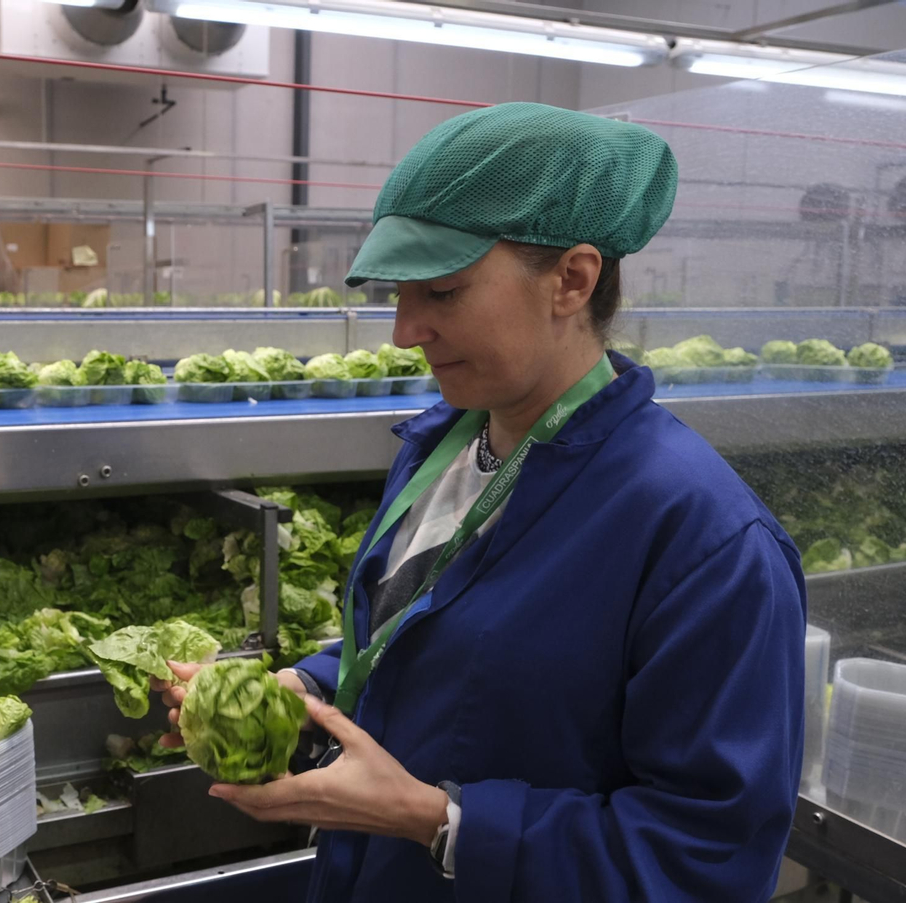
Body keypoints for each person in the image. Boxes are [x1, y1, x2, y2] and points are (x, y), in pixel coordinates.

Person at [155, 103, 806, 902]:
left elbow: (708, 862)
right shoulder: (443, 447)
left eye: (443, 291)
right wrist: (310, 693)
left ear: (573, 279)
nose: (404, 330)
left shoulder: (705, 541)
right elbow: (444, 646)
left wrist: (434, 820)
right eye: (398, 292)